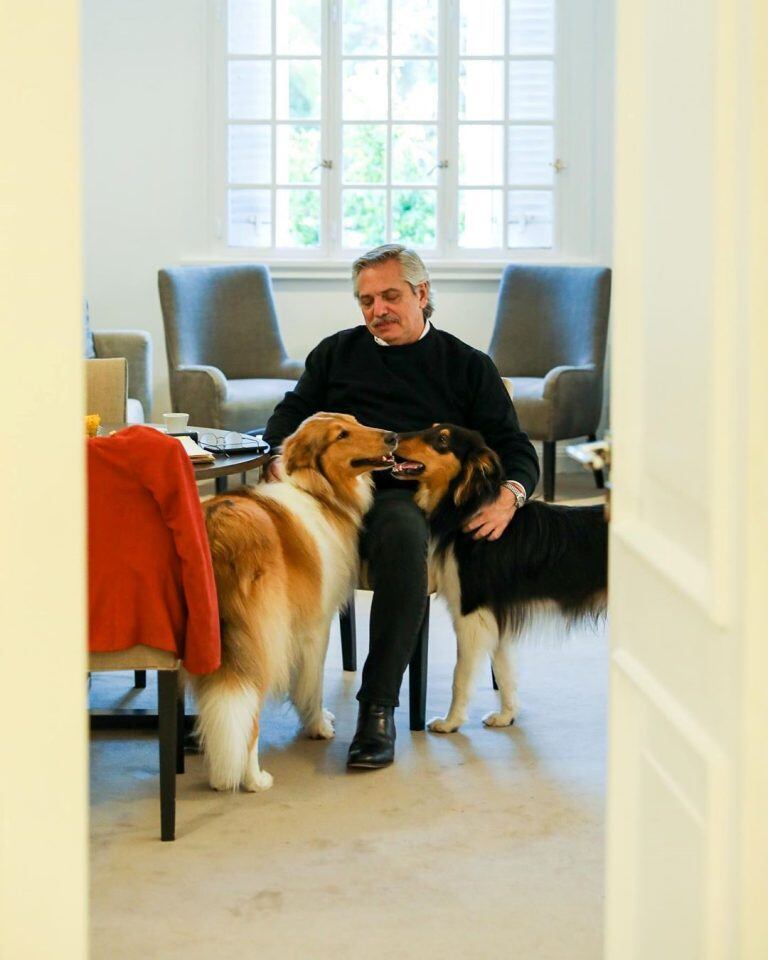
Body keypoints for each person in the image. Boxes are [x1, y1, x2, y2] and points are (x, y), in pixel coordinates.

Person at [262, 244, 539, 769]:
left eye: (390, 296)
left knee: (405, 538)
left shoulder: (466, 365)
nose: (376, 311)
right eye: (365, 300)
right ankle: (246, 690)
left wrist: (510, 498)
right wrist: (278, 458)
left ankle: (376, 709)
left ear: (422, 293)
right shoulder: (336, 353)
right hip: (325, 501)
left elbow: (515, 448)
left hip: (398, 499)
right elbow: (288, 418)